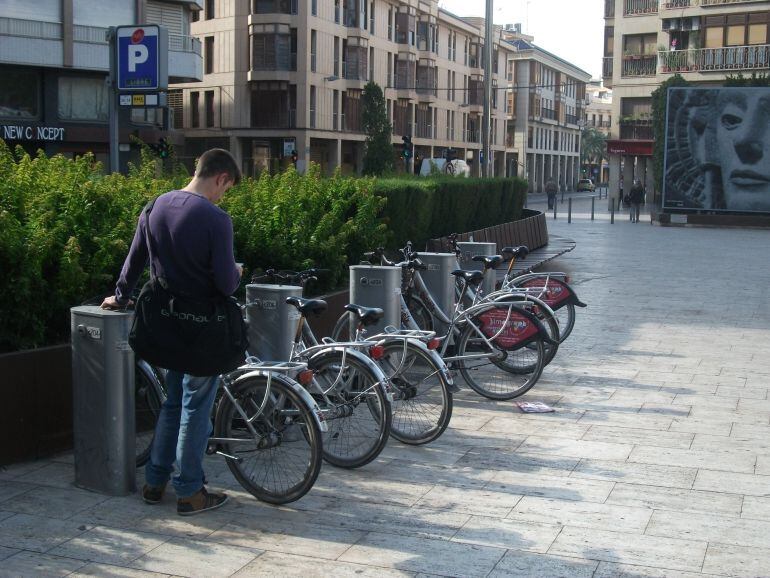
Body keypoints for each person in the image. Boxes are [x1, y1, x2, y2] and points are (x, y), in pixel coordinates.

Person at [101, 148, 243, 516]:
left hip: (166, 324)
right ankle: (190, 491)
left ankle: (154, 482)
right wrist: (238, 273)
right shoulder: (216, 219)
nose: (222, 196)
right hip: (203, 329)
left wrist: (120, 297)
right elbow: (227, 285)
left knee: (173, 401)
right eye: (225, 189)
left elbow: (134, 260)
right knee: (196, 406)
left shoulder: (155, 206)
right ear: (221, 178)